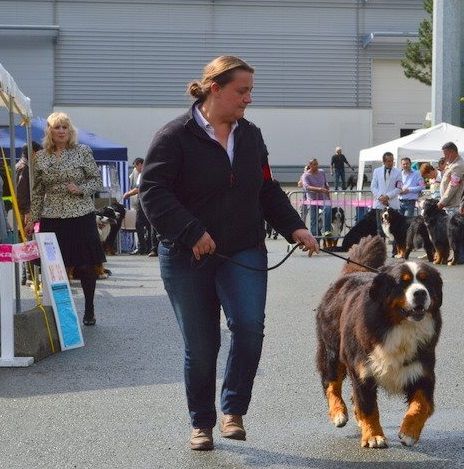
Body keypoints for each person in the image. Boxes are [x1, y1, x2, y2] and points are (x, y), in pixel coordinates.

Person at [138, 55, 319, 451]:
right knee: (202, 346)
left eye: (251, 91)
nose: (249, 99)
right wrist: (191, 231)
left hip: (243, 250)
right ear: (215, 89)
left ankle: (232, 410)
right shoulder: (174, 136)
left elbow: (266, 188)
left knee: (250, 328)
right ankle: (201, 423)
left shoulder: (251, 136)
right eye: (242, 91)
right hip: (187, 256)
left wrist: (295, 226)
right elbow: (154, 193)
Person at [26, 112, 105, 326]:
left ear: (70, 131)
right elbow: (37, 190)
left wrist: (80, 189)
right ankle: (60, 313)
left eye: (64, 127)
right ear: (49, 132)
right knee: (54, 267)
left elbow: (97, 181)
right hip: (52, 216)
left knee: (87, 264)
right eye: (56, 127)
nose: (61, 131)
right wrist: (32, 220)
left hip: (81, 214)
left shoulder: (82, 151)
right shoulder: (40, 157)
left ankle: (89, 309)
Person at [16, 141, 43, 285]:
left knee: (27, 243)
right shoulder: (25, 168)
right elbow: (21, 193)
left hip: (23, 211)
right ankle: (29, 276)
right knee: (29, 243)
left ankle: (27, 276)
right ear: (33, 152)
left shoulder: (22, 165)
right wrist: (27, 211)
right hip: (25, 212)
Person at [122, 158, 157, 256]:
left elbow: (139, 188)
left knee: (141, 225)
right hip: (147, 201)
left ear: (140, 164)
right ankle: (148, 247)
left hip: (144, 202)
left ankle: (144, 247)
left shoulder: (143, 173)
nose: (135, 169)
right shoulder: (148, 172)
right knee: (148, 226)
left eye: (136, 166)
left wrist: (128, 194)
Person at [370, 152, 402, 237]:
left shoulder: (398, 172)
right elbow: (373, 187)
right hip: (379, 205)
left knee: (395, 229)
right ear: (384, 161)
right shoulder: (377, 171)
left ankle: (395, 250)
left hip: (392, 204)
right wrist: (381, 197)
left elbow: (398, 188)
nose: (391, 163)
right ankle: (381, 249)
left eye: (392, 161)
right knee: (380, 230)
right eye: (388, 161)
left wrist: (387, 196)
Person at [300, 159, 332, 237]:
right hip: (312, 201)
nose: (316, 166)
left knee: (328, 209)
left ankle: (326, 230)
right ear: (310, 165)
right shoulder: (305, 175)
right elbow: (306, 187)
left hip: (323, 199)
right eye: (314, 164)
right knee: (313, 220)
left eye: (317, 164)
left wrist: (328, 194)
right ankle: (315, 237)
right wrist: (319, 189)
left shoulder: (321, 172)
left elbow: (325, 183)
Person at [437, 142, 464, 216]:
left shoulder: (458, 165)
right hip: (450, 205)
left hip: (453, 206)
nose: (445, 157)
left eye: (446, 154)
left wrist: (442, 203)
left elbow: (453, 186)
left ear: (452, 152)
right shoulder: (452, 164)